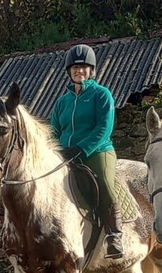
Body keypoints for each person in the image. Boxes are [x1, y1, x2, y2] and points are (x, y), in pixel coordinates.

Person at [49, 44, 124, 258]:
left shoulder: (102, 95)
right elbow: (53, 130)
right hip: (65, 155)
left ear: (91, 70)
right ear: (69, 71)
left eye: (83, 67)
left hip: (97, 151)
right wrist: (57, 152)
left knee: (105, 184)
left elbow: (104, 128)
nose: (79, 71)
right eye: (75, 68)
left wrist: (82, 149)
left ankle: (114, 236)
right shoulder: (61, 102)